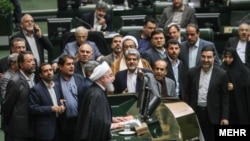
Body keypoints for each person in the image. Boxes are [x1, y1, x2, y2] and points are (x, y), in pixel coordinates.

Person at [185, 46, 229, 141]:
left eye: (209, 57)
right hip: (195, 113)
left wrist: (225, 117)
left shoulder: (222, 74)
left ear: (214, 58)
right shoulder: (192, 72)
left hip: (213, 114)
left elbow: (225, 97)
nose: (205, 60)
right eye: (203, 56)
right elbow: (187, 93)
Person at [53, 55, 92, 141]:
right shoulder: (54, 81)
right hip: (63, 122)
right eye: (68, 64)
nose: (72, 66)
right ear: (60, 66)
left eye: (73, 64)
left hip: (80, 120)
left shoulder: (80, 78)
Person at [74, 61, 114, 141]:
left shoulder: (96, 91)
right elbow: (98, 123)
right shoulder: (96, 94)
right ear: (102, 79)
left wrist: (111, 119)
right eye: (110, 76)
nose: (113, 78)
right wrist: (117, 124)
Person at [2, 51, 37, 141]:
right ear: (21, 64)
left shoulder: (34, 77)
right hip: (19, 129)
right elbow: (7, 105)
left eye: (33, 60)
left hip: (32, 126)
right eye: (29, 61)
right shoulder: (15, 81)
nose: (33, 63)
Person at [29, 63, 66, 141]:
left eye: (50, 70)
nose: (49, 72)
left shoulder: (57, 85)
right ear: (41, 75)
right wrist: (51, 108)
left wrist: (62, 105)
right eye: (46, 71)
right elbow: (33, 108)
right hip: (45, 130)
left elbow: (59, 100)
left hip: (59, 126)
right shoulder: (36, 89)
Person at [221, 47, 250, 124]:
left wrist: (235, 86)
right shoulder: (222, 68)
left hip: (239, 104)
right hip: (226, 105)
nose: (227, 59)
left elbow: (247, 85)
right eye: (226, 57)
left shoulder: (243, 70)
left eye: (230, 57)